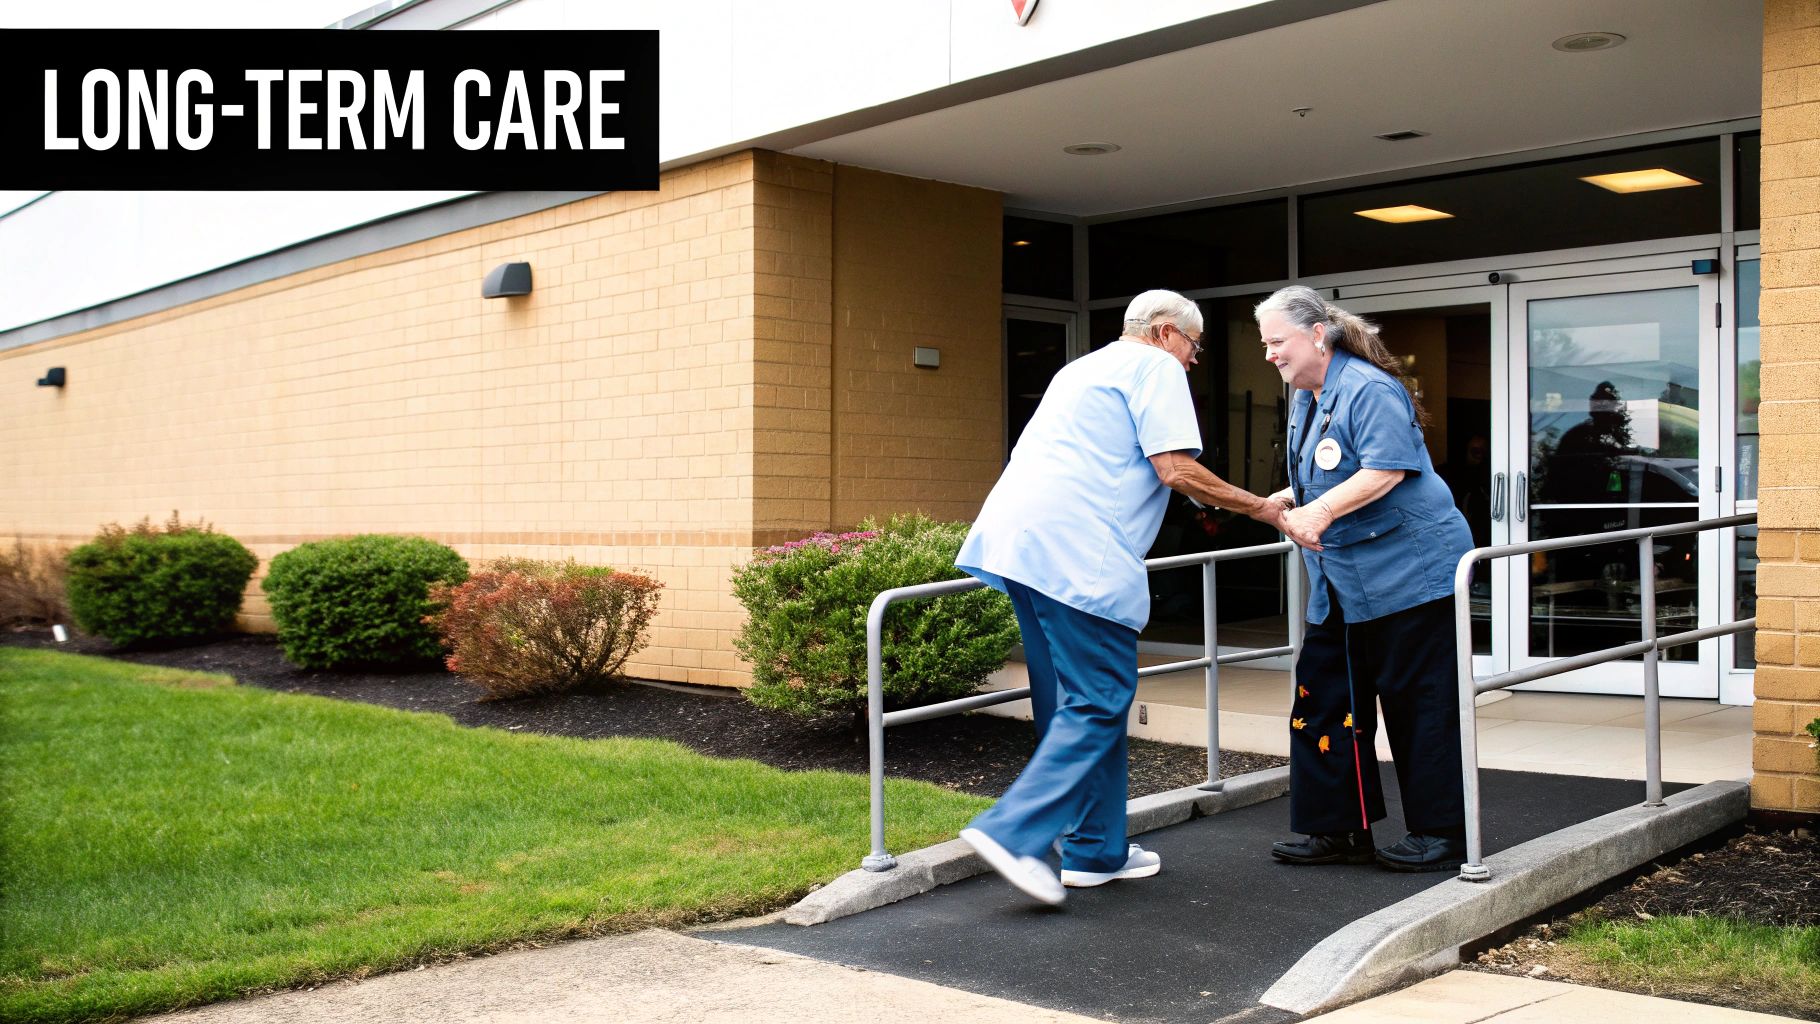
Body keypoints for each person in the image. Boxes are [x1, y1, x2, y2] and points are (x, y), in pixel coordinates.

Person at [954, 289, 1309, 904]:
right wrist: (1261, 507)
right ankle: (1012, 833)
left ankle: (1096, 850)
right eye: (1195, 348)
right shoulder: (1157, 367)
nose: (1194, 361)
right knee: (1099, 697)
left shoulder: (1081, 368)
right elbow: (1175, 469)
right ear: (1167, 333)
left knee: (1071, 699)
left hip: (1017, 543)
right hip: (1076, 552)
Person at [1257, 285, 1475, 872]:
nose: (1270, 354)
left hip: (1409, 573)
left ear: (1317, 335)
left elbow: (1386, 469)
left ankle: (1441, 832)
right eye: (1265, 344)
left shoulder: (1371, 387)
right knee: (1325, 697)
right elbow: (1329, 467)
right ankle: (1336, 827)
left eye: (1278, 342)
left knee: (1418, 704)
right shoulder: (1307, 392)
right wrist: (1292, 499)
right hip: (1341, 578)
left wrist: (1319, 512)